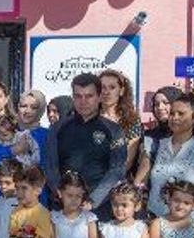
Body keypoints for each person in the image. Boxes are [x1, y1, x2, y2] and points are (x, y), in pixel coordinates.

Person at [44, 73, 129, 216]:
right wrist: (62, 194)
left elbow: (117, 170)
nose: (83, 101)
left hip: (99, 208)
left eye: (89, 96)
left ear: (99, 97)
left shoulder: (114, 130)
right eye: (78, 96)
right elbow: (50, 165)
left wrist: (93, 200)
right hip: (63, 206)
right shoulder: (57, 128)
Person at [145, 93, 194, 227]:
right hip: (154, 223)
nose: (175, 118)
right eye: (172, 113)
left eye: (181, 114)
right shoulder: (157, 145)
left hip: (187, 228)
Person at [132, 85, 182, 188]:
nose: (160, 107)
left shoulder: (189, 135)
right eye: (156, 104)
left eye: (165, 103)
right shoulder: (149, 136)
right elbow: (143, 165)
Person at [98, 69, 145, 169]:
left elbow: (128, 160)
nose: (106, 92)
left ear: (121, 91)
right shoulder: (88, 117)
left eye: (112, 87)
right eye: (102, 87)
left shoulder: (132, 120)